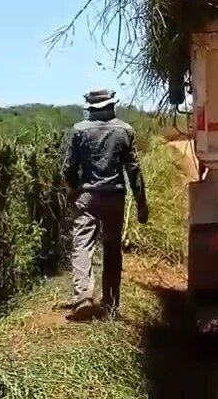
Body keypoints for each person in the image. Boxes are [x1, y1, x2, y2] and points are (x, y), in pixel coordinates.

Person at [60, 88, 149, 319]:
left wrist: (74, 189)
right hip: (115, 197)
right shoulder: (125, 131)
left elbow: (69, 168)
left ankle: (83, 296)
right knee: (112, 249)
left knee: (82, 243)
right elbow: (134, 170)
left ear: (90, 108)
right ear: (112, 106)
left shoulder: (79, 131)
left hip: (88, 196)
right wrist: (141, 203)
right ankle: (110, 304)